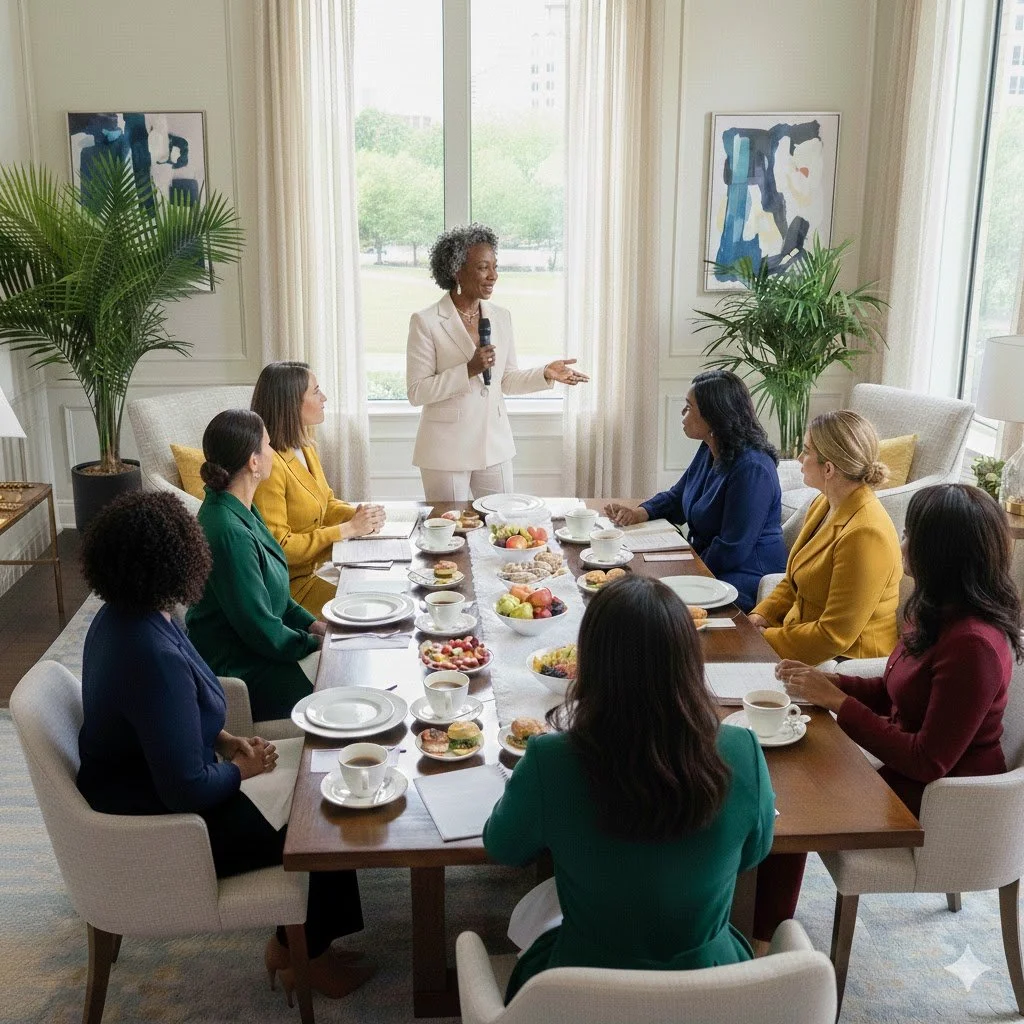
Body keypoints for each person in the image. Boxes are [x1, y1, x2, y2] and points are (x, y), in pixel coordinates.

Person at [76, 490, 372, 1002]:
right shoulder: (149, 652)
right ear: (178, 558)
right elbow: (185, 788)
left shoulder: (132, 616)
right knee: (327, 815)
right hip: (164, 825)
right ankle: (304, 957)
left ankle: (303, 943)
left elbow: (169, 709)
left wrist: (226, 738)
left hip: (148, 783)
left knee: (319, 780)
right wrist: (244, 770)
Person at [483, 575, 775, 1003]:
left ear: (593, 665)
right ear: (689, 661)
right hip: (709, 992)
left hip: (584, 990)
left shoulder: (550, 759)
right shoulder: (742, 749)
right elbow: (754, 852)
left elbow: (503, 846)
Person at [753, 483, 1022, 945]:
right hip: (911, 771)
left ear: (942, 554)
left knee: (791, 799)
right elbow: (897, 689)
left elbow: (927, 760)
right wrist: (831, 684)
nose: (902, 544)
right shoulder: (937, 611)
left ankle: (762, 940)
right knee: (782, 774)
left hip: (942, 798)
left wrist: (839, 704)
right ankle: (754, 918)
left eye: (911, 535)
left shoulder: (973, 644)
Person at [406, 223, 589, 502]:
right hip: (445, 450)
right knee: (450, 532)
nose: (493, 275)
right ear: (457, 270)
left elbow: (506, 380)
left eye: (494, 266)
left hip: (495, 445)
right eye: (483, 267)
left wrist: (545, 373)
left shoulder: (501, 317)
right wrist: (468, 370)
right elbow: (417, 391)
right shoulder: (426, 321)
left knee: (502, 524)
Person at [604, 370, 787, 612]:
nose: (682, 414)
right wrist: (640, 513)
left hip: (744, 576)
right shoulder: (710, 447)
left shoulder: (752, 469)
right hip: (708, 563)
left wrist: (686, 569)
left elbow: (733, 548)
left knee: (647, 600)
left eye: (689, 407)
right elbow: (678, 497)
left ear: (714, 417)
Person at [186, 410, 325, 722]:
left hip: (261, 649)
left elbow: (273, 592)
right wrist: (312, 643)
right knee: (340, 693)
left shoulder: (241, 507)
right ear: (254, 462)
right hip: (241, 667)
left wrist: (312, 624)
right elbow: (260, 629)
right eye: (268, 444)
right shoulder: (228, 531)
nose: (274, 452)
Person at [748, 410, 902, 664]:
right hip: (804, 642)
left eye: (806, 451)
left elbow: (835, 636)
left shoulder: (865, 534)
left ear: (828, 468)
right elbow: (794, 581)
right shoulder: (823, 503)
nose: (799, 458)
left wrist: (765, 641)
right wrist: (761, 617)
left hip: (847, 663)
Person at [251, 361, 385, 615]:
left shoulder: (305, 445)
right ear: (291, 403)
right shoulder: (270, 467)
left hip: (320, 568)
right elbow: (279, 547)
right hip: (291, 589)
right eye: (316, 391)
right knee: (371, 608)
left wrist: (360, 515)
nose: (324, 398)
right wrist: (348, 529)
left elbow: (326, 502)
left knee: (386, 592)